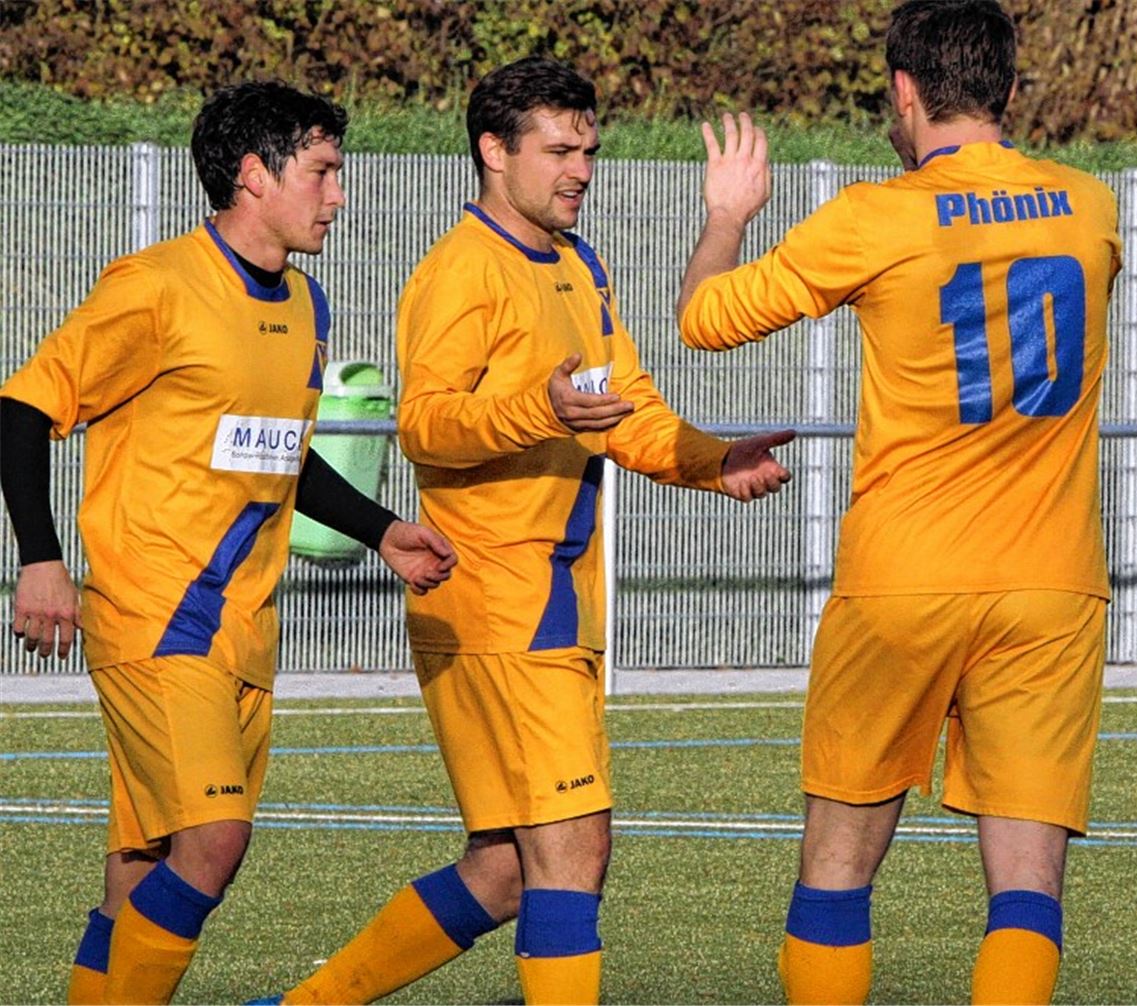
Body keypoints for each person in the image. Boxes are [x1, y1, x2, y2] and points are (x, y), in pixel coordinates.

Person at [257, 55, 793, 1006]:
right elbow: (426, 425)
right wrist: (537, 410)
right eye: (559, 149)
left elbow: (625, 409)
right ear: (493, 152)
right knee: (575, 844)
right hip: (498, 602)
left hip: (550, 608)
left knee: (505, 868)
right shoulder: (461, 270)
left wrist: (715, 460)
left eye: (589, 148)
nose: (581, 168)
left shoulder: (580, 265)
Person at [675, 1, 1122, 1003]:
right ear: (1009, 91)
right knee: (1028, 888)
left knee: (838, 863)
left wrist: (727, 218)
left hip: (905, 574)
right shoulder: (1093, 208)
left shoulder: (875, 218)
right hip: (1052, 582)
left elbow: (702, 321)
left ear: (906, 94)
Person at [0, 81, 457, 1006]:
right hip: (157, 619)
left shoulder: (306, 302)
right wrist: (40, 558)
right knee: (214, 842)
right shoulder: (155, 287)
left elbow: (284, 452)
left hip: (244, 630)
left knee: (142, 863)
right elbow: (21, 409)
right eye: (324, 172)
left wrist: (383, 531)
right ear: (255, 174)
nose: (339, 194)